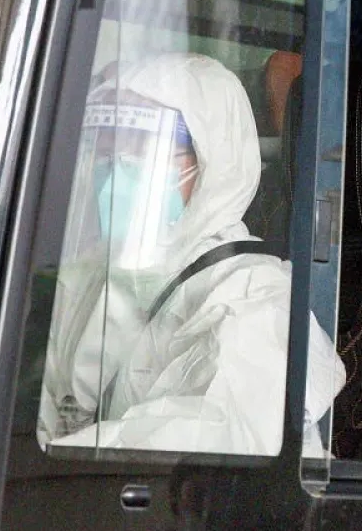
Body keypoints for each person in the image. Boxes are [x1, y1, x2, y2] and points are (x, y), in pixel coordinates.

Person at [39, 52, 344, 456]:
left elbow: (221, 442)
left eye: (142, 152)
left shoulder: (254, 299)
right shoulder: (93, 276)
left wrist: (55, 462)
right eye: (107, 153)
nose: (115, 172)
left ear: (213, 161)